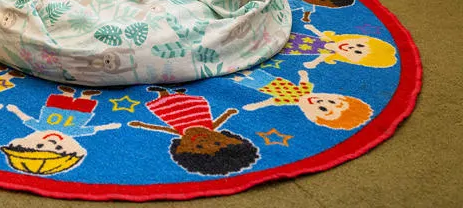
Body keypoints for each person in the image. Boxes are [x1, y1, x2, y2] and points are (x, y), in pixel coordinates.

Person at [129, 87, 260, 175]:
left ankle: (162, 91)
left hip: (174, 116)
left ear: (181, 148)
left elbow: (163, 128)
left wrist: (142, 124)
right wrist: (228, 113)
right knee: (189, 100)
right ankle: (179, 93)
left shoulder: (179, 131)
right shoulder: (210, 126)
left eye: (198, 146)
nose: (204, 141)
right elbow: (219, 121)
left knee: (165, 102)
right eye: (218, 143)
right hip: (198, 111)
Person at [0, 86, 120, 176]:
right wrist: (109, 126)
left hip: (52, 110)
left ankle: (67, 93)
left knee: (58, 101)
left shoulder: (40, 127)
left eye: (40, 145)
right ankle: (86, 96)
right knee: (84, 104)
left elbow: (26, 118)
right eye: (58, 148)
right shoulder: (74, 132)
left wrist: (15, 110)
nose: (51, 143)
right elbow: (93, 129)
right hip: (79, 114)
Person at [237, 68, 373, 130]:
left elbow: (271, 101)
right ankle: (242, 71)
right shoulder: (305, 91)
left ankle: (238, 76)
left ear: (312, 117)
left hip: (262, 87)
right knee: (255, 73)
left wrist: (255, 106)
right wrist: (303, 75)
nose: (321, 102)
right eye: (331, 101)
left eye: (323, 109)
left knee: (244, 80)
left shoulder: (291, 100)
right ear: (337, 96)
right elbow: (303, 82)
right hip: (272, 80)